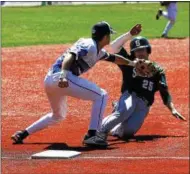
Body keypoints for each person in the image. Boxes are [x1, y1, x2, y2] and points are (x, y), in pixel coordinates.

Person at [11, 21, 143, 147]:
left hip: (50, 81)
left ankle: (23, 133)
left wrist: (133, 63)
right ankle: (92, 135)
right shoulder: (89, 45)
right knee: (101, 95)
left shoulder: (98, 50)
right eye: (109, 35)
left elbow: (115, 59)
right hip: (62, 77)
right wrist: (63, 75)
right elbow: (71, 55)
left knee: (58, 115)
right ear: (105, 36)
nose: (110, 37)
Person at [85, 32, 186, 147]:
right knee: (124, 111)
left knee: (127, 133)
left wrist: (172, 109)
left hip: (144, 104)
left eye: (143, 49)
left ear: (148, 50)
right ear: (133, 53)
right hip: (130, 95)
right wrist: (129, 34)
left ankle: (117, 112)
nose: (140, 53)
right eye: (137, 50)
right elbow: (114, 46)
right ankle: (98, 133)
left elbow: (164, 91)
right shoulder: (129, 62)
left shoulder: (157, 70)